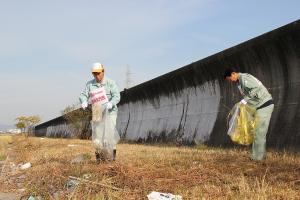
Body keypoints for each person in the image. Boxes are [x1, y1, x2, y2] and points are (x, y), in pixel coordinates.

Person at [224, 67, 274, 161]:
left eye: (229, 79)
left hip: (264, 105)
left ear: (233, 74)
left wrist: (245, 100)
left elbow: (256, 88)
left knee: (259, 132)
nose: (230, 81)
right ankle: (259, 156)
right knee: (257, 132)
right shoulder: (240, 82)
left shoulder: (244, 78)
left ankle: (257, 158)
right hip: (260, 106)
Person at [79, 63, 120, 163]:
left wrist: (111, 103)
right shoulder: (90, 84)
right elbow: (83, 95)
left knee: (109, 135)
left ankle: (111, 159)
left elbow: (117, 96)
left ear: (103, 71)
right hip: (97, 111)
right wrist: (83, 101)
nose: (97, 76)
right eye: (94, 74)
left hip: (110, 112)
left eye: (98, 73)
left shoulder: (111, 83)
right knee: (97, 136)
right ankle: (99, 159)